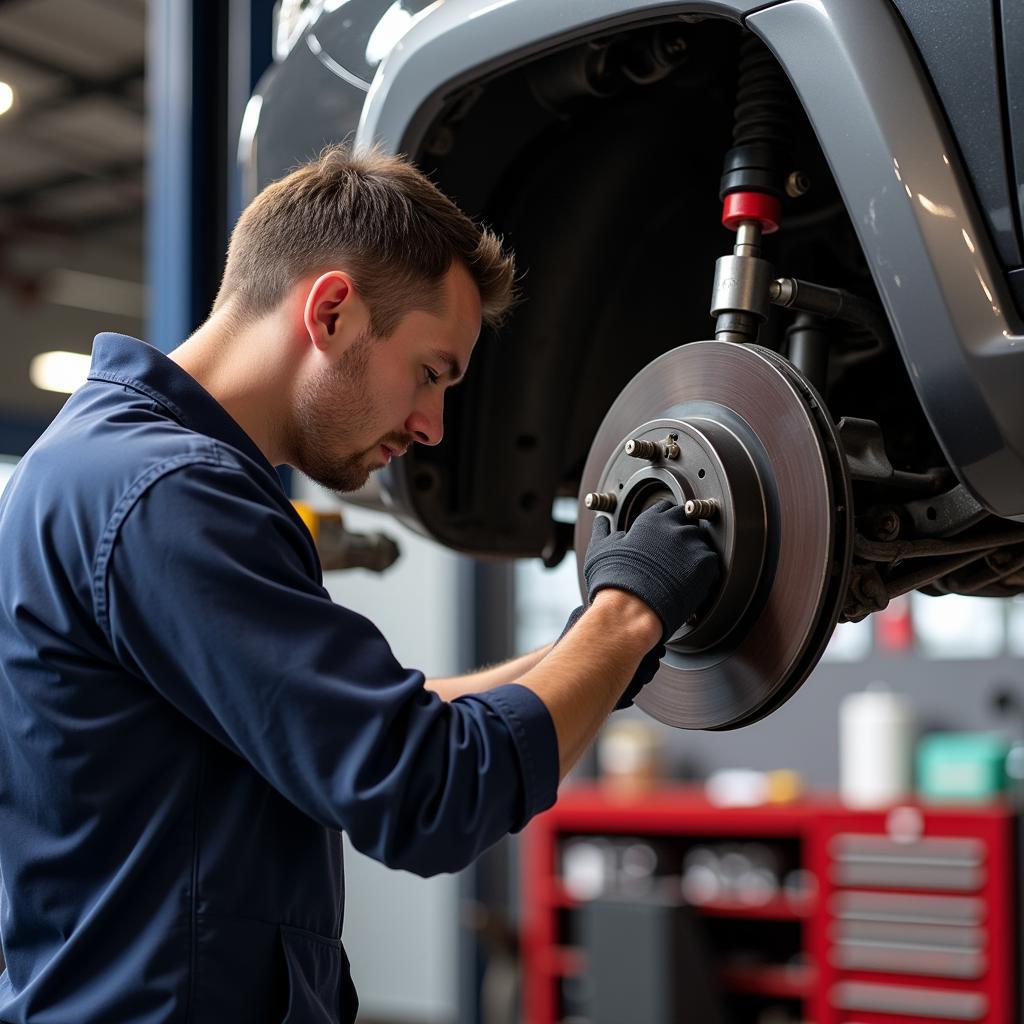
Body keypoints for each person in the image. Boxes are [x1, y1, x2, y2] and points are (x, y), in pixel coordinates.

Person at [0, 146, 718, 1023]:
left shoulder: (125, 469)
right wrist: (631, 608)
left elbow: (389, 724)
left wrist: (602, 661)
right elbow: (426, 791)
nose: (431, 426)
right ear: (332, 310)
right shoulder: (167, 493)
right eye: (430, 372)